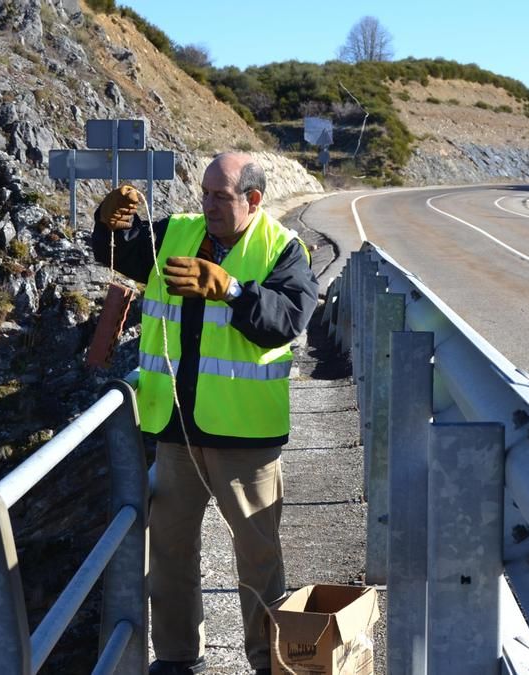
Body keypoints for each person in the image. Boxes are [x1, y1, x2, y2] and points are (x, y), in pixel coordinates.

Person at [92, 153, 319, 675]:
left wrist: (231, 290)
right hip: (175, 428)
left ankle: (268, 663)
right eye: (205, 193)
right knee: (169, 550)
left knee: (258, 558)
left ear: (253, 200)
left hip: (246, 434)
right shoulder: (178, 232)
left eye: (221, 196)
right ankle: (175, 660)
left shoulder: (281, 248)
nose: (208, 205)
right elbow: (118, 253)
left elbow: (287, 322)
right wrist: (107, 223)